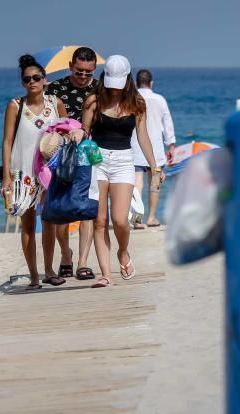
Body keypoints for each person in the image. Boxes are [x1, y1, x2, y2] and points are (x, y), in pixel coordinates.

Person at [82, 54, 164, 288]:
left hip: (123, 161)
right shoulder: (93, 101)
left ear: (127, 79)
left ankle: (123, 251)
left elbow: (144, 137)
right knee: (99, 220)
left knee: (120, 220)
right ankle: (106, 274)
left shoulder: (137, 103)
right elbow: (84, 133)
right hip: (96, 158)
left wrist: (155, 166)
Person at [2, 53, 80, 289]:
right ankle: (34, 276)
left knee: (49, 222)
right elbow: (7, 142)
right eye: (27, 79)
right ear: (23, 83)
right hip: (23, 171)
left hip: (49, 171)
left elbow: (68, 130)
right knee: (27, 225)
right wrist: (6, 176)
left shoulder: (55, 103)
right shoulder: (16, 106)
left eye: (37, 77)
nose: (32, 82)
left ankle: (48, 270)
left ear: (45, 80)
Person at [45, 46, 99, 280]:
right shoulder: (55, 89)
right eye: (79, 71)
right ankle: (66, 255)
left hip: (91, 152)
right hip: (62, 153)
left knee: (88, 206)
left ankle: (83, 262)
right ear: (70, 66)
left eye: (88, 72)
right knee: (61, 206)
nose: (84, 77)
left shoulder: (101, 89)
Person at [131, 68, 176, 229]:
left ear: (136, 83)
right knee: (155, 182)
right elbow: (168, 123)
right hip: (155, 148)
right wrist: (171, 144)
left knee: (137, 183)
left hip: (135, 146)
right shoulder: (160, 99)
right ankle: (151, 217)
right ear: (151, 83)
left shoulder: (133, 98)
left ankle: (137, 219)